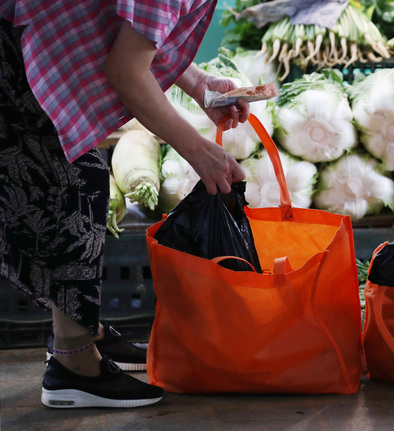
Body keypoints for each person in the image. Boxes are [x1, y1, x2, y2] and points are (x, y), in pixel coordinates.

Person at [0, 0, 250, 408]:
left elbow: (129, 32)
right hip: (13, 46)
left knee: (72, 174)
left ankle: (81, 331)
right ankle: (72, 363)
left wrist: (201, 84)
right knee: (77, 181)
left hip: (23, 39)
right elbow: (125, 70)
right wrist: (197, 150)